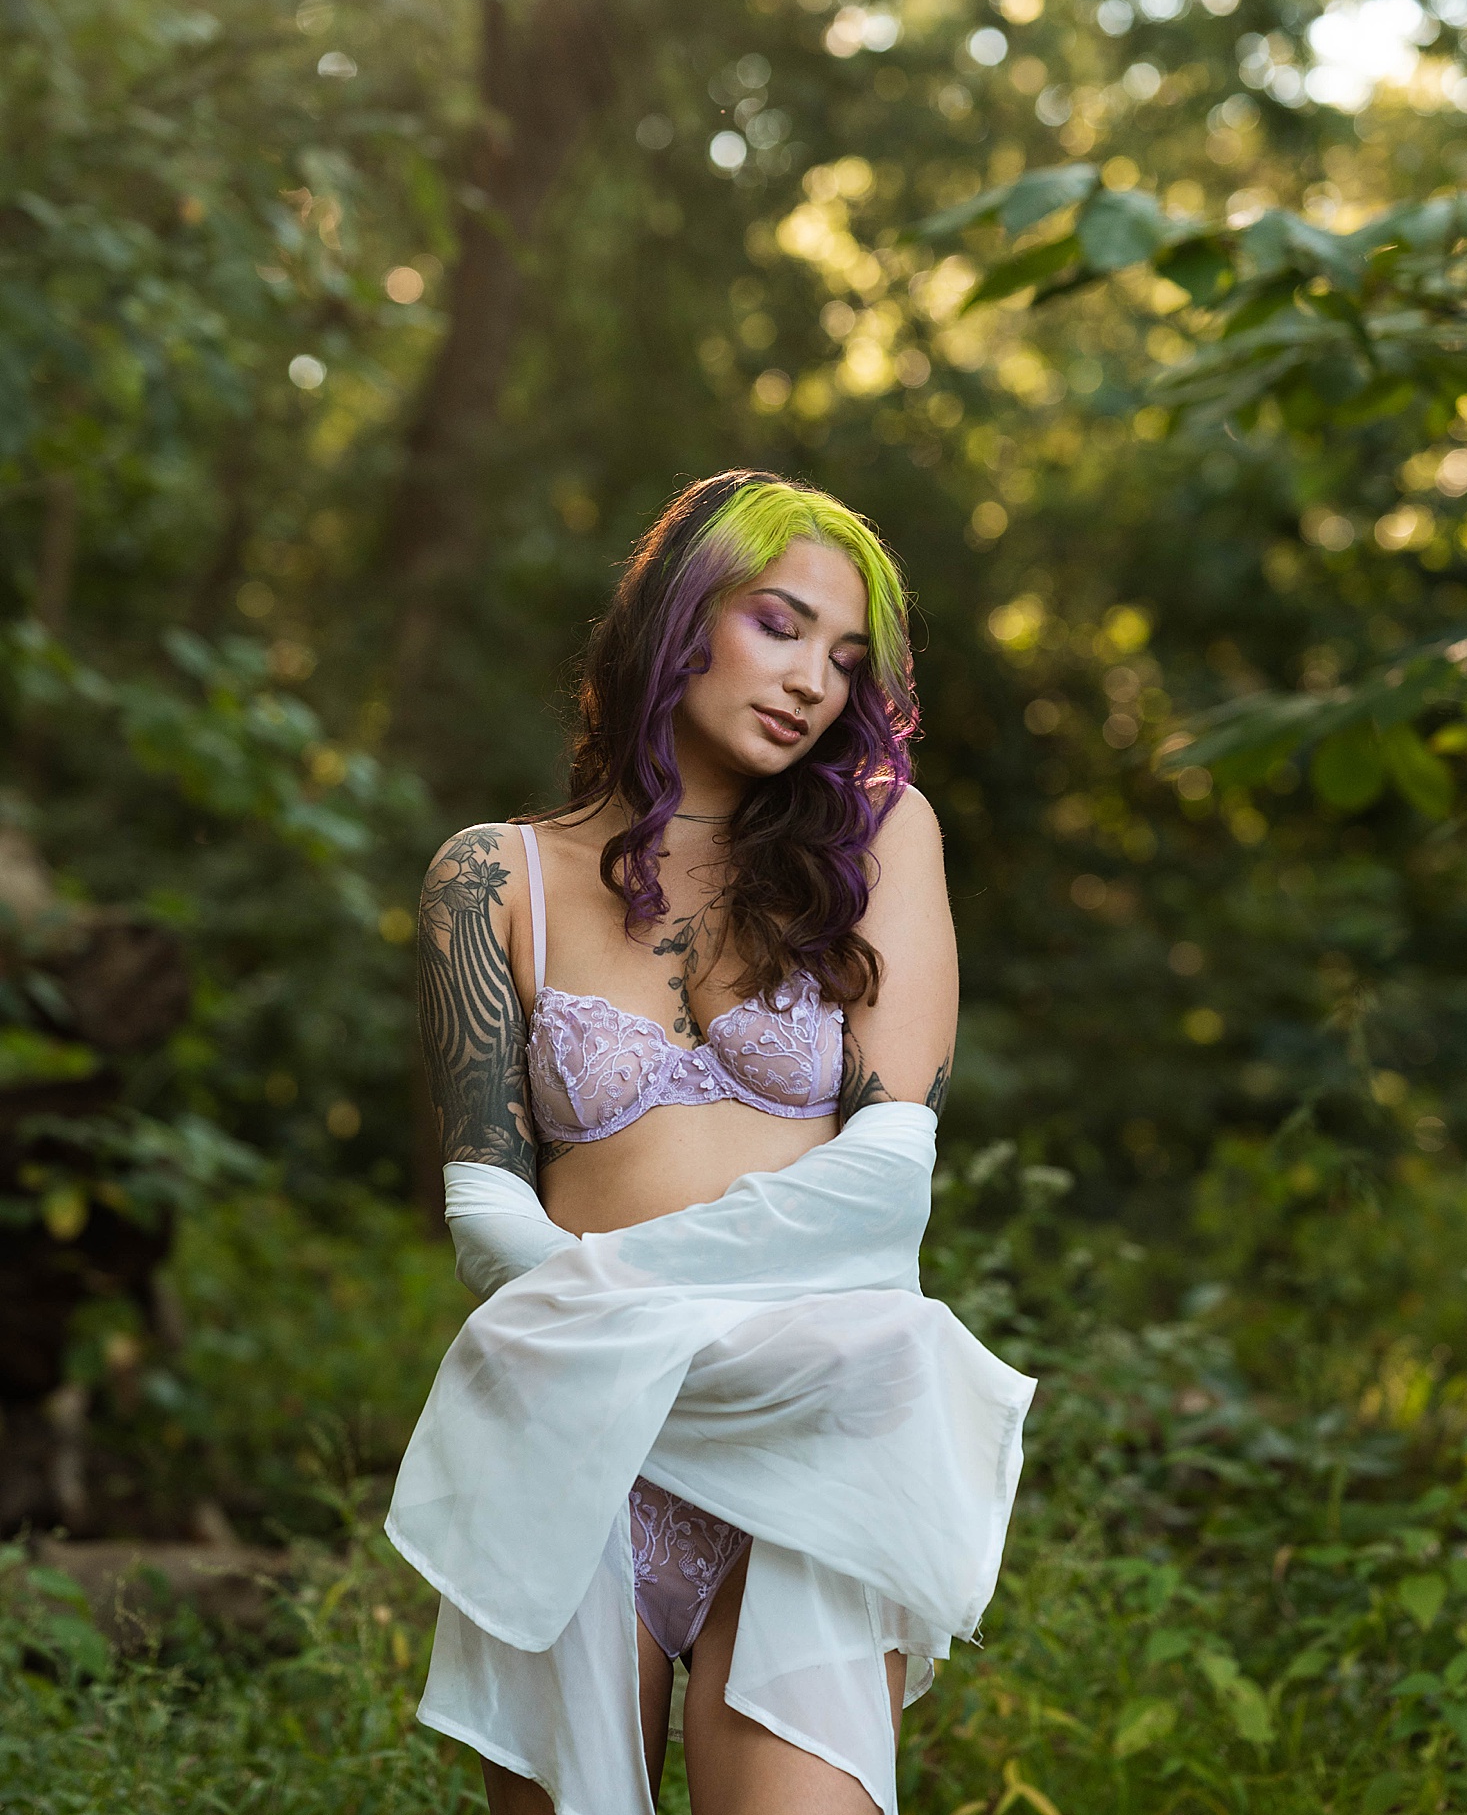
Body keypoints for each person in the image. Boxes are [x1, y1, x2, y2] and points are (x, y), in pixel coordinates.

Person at [388, 469, 1033, 1815]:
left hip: (804, 1419)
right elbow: (484, 1207)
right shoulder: (489, 878)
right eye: (780, 623)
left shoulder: (877, 844)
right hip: (573, 1433)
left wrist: (623, 1307)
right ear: (681, 613)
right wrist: (620, 1336)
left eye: (844, 657)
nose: (811, 679)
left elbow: (883, 1183)